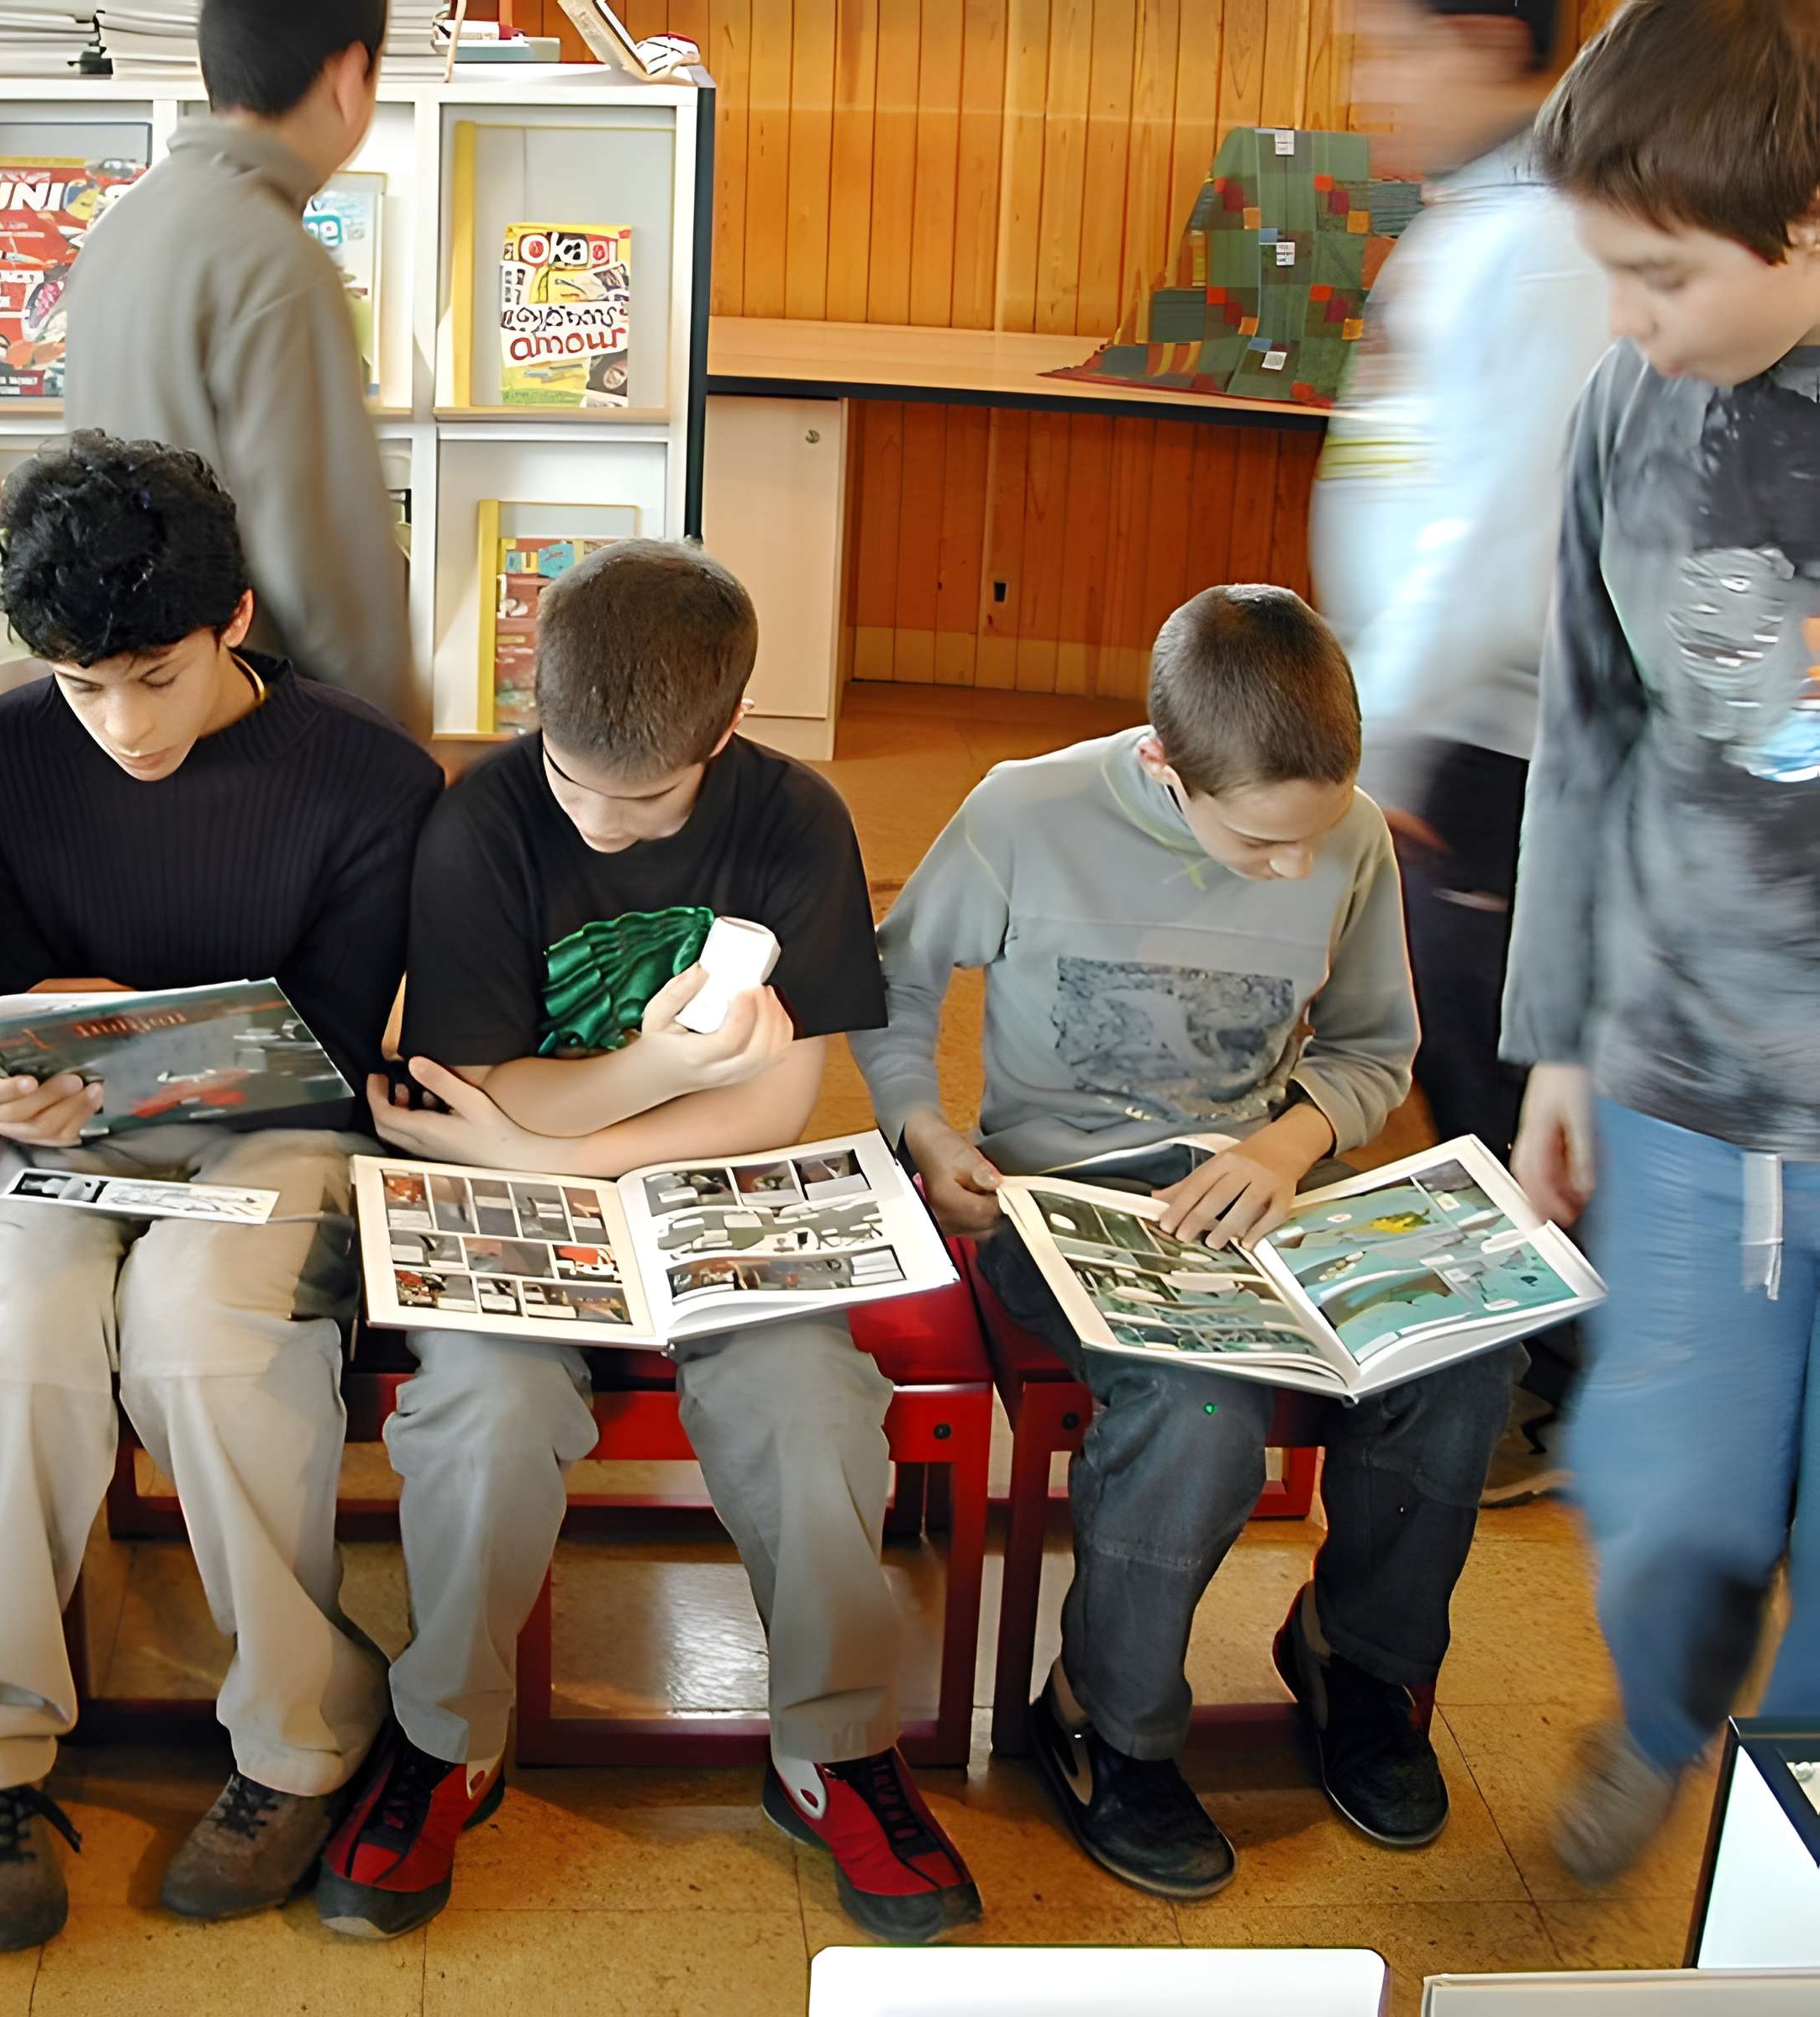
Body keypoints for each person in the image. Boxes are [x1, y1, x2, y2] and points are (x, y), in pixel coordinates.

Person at [330, 540, 983, 1946]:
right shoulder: (484, 819)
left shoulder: (797, 817)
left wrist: (544, 1136)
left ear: (727, 736)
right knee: (484, 1415)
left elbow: (782, 1100)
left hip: (703, 1187)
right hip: (540, 1193)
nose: (600, 822)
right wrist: (654, 1077)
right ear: (534, 710)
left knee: (811, 1409)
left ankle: (835, 1746)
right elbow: (486, 1088)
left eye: (642, 799)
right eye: (574, 781)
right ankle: (447, 1738)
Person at [857, 585, 1512, 1899]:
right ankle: (1111, 1718)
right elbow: (894, 983)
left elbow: (1379, 1048)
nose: (1292, 868)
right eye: (1259, 845)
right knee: (1198, 1404)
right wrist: (927, 1134)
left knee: (1462, 1356)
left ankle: (1360, 1663)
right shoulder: (1027, 810)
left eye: (1312, 838)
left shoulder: (1354, 837)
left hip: (1265, 1194)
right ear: (1163, 765)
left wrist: (1288, 1143)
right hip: (1065, 1208)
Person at [0, 433, 441, 1950]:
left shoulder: (368, 774)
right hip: (65, 1132)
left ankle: (296, 1740)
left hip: (281, 1131)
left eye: (156, 674)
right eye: (83, 687)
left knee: (205, 1326)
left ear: (238, 621)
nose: (123, 724)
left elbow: (340, 1042)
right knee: (10, 1331)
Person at [1498, 0, 1820, 1887]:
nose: (1625, 318)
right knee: (1664, 1493)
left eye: (1660, 276)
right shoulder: (1627, 412)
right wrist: (1557, 1042)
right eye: (1603, 273)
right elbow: (1592, 738)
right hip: (1688, 1083)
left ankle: (1786, 1833)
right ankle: (1668, 1711)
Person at [1313, 0, 1612, 1506]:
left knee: (1486, 1041)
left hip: (1488, 736)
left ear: (1491, 37)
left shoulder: (1547, 232)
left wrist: (1384, 742)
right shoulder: (1489, 211)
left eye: (1393, 48)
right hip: (1450, 726)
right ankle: (1532, 1359)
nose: (1370, 86)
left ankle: (1551, 1383)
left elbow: (1494, 534)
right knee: (1460, 1037)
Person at [61, 0, 413, 724]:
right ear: (350, 76)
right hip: (249, 718)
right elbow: (323, 557)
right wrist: (395, 738)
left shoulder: (122, 224)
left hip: (129, 710)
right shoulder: (278, 264)